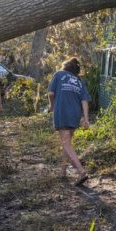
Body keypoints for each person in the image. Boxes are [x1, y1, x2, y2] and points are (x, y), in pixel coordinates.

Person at [48, 57, 91, 186]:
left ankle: (81, 172)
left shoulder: (59, 74)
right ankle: (63, 171)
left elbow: (50, 93)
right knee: (67, 142)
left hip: (62, 111)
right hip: (75, 114)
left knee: (66, 144)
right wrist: (86, 119)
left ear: (65, 66)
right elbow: (84, 101)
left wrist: (52, 106)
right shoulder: (79, 81)